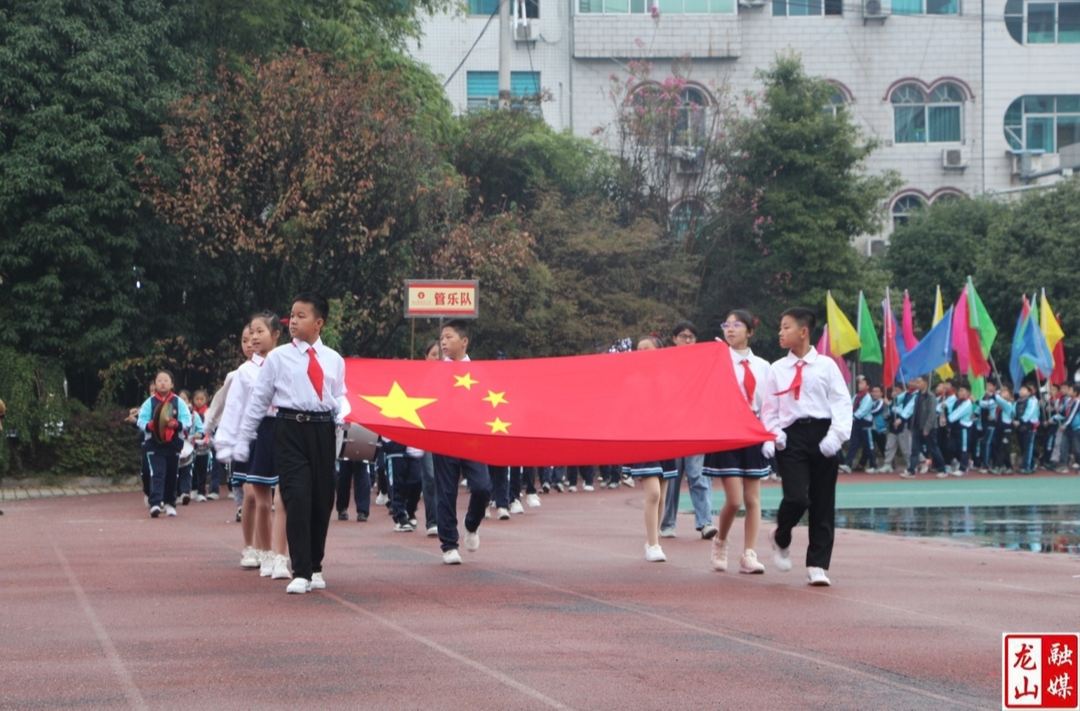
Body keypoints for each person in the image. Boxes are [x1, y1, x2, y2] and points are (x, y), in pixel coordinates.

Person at [235, 294, 347, 594]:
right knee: (296, 496)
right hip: (289, 428)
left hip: (323, 430)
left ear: (318, 323)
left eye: (301, 316)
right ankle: (300, 570)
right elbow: (259, 399)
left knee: (322, 499)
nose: (293, 321)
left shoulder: (334, 359)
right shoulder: (278, 358)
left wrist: (344, 413)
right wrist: (245, 437)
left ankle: (315, 567)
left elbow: (339, 395)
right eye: (292, 316)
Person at [760, 308, 851, 587]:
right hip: (792, 437)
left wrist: (835, 437)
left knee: (823, 502)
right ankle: (781, 537)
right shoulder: (777, 369)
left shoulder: (827, 366)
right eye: (780, 327)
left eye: (786, 327)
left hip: (824, 433)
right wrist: (773, 436)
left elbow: (841, 403)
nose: (780, 332)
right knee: (797, 498)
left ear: (803, 331)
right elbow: (769, 409)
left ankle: (817, 565)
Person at [703, 310, 771, 574]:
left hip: (753, 430)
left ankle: (749, 554)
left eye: (737, 325)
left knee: (753, 498)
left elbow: (768, 403)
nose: (730, 329)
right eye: (726, 325)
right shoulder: (719, 361)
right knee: (734, 500)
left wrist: (768, 433)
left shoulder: (763, 366)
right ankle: (721, 541)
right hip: (728, 429)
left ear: (750, 331)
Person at [432, 320, 493, 565]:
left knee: (482, 487)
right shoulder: (436, 372)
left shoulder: (479, 373)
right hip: (444, 439)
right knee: (446, 492)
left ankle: (472, 524)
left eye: (448, 337)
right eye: (442, 338)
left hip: (473, 439)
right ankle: (449, 545)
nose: (443, 342)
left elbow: (491, 403)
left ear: (464, 341)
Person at [659, 321, 716, 540]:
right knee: (671, 478)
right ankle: (667, 523)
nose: (688, 340)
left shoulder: (702, 364)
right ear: (674, 339)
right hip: (672, 430)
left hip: (695, 429)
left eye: (691, 337)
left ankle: (705, 522)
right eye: (683, 336)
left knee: (698, 475)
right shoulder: (665, 363)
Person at [625, 334, 678, 562]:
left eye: (646, 348)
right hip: (643, 439)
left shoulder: (670, 379)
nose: (641, 353)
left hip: (665, 439)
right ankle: (654, 544)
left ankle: (652, 540)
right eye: (638, 349)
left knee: (662, 495)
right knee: (653, 493)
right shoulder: (632, 380)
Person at [204, 326, 254, 516]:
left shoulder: (276, 368)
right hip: (242, 432)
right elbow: (220, 400)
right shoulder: (236, 374)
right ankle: (242, 506)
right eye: (244, 340)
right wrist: (210, 423)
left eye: (254, 338)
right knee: (241, 473)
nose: (249, 344)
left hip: (267, 430)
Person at [136, 370, 193, 518]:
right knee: (157, 473)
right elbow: (141, 421)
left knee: (172, 474)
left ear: (172, 384)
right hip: (154, 443)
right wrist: (150, 425)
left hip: (173, 443)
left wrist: (177, 424)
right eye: (159, 380)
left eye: (166, 380)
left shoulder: (178, 402)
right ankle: (156, 503)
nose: (162, 383)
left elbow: (187, 421)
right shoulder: (149, 403)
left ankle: (170, 503)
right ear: (155, 384)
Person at [903, 375, 946, 478]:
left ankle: (942, 469)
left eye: (919, 382)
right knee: (914, 450)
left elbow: (932, 414)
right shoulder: (917, 396)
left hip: (929, 428)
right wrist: (912, 427)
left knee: (933, 449)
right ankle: (911, 470)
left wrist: (927, 428)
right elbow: (915, 412)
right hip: (917, 427)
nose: (917, 384)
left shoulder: (930, 396)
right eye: (917, 382)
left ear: (925, 383)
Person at [840, 376, 876, 473]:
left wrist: (852, 417)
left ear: (867, 386)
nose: (859, 385)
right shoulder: (856, 396)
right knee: (853, 444)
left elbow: (862, 411)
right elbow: (849, 406)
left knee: (869, 445)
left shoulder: (868, 398)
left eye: (862, 383)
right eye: (859, 383)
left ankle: (874, 465)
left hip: (865, 424)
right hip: (856, 423)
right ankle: (847, 464)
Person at [942, 382, 973, 478]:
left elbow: (957, 414)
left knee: (963, 449)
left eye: (963, 391)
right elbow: (951, 409)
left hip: (963, 428)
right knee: (951, 447)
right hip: (955, 428)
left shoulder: (967, 403)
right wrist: (944, 407)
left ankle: (963, 468)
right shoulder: (957, 401)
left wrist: (947, 420)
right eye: (959, 390)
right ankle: (961, 462)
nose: (960, 392)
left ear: (968, 393)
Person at [881, 383, 914, 474]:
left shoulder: (906, 400)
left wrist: (890, 405)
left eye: (897, 390)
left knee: (905, 447)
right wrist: (887, 413)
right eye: (894, 390)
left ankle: (910, 464)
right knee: (889, 445)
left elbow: (902, 411)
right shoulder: (893, 401)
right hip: (893, 426)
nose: (895, 392)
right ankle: (887, 464)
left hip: (903, 426)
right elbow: (889, 412)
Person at [1015, 384, 1040, 474]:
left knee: (1028, 447)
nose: (1021, 391)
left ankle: (1027, 467)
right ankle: (1031, 464)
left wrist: (1020, 421)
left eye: (1024, 390)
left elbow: (1029, 413)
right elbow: (1013, 411)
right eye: (1021, 389)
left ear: (1029, 393)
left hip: (1029, 426)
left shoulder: (1032, 401)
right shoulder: (1017, 402)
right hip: (1019, 426)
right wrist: (1013, 420)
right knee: (1023, 447)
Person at [1057, 383, 1079, 473]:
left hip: (1076, 427)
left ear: (1076, 392)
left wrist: (1065, 424)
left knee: (1077, 448)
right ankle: (1064, 465)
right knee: (1064, 445)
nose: (1068, 391)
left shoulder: (1077, 402)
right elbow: (1064, 413)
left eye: (1070, 390)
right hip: (1068, 427)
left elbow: (1072, 415)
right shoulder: (1069, 401)